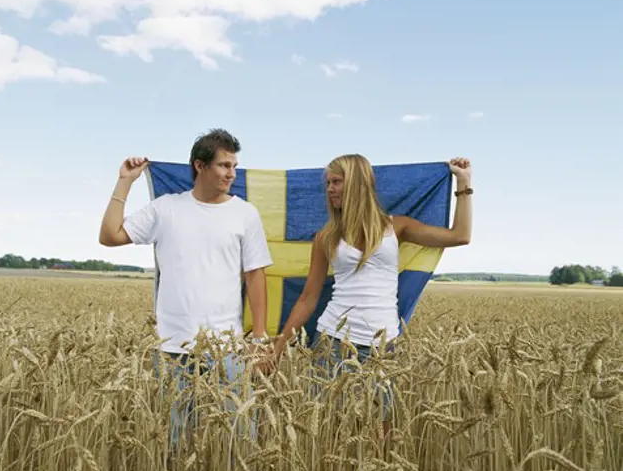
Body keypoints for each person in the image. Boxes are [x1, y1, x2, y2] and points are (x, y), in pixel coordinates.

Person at [267, 154, 473, 430]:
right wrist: (277, 349)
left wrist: (464, 183)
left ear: (357, 184)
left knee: (381, 432)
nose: (329, 189)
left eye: (337, 182)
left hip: (382, 347)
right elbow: (308, 298)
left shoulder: (396, 226)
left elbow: (460, 235)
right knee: (328, 431)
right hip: (332, 343)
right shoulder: (326, 237)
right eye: (328, 183)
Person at [99, 128, 272, 441]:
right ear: (200, 166)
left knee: (238, 437)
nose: (231, 173)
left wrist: (258, 338)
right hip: (173, 350)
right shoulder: (165, 209)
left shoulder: (245, 213)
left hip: (227, 349)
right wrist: (125, 181)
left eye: (234, 166)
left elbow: (255, 275)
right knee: (176, 440)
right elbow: (110, 236)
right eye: (223, 165)